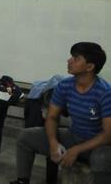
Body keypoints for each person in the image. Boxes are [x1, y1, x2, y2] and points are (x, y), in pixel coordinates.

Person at [11, 42, 111, 184]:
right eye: (71, 57)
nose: (69, 61)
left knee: (102, 159)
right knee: (25, 137)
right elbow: (52, 117)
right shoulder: (64, 86)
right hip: (73, 136)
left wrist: (76, 150)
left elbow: (108, 135)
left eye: (76, 58)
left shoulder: (105, 92)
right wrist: (53, 143)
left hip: (99, 144)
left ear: (89, 67)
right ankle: (22, 181)